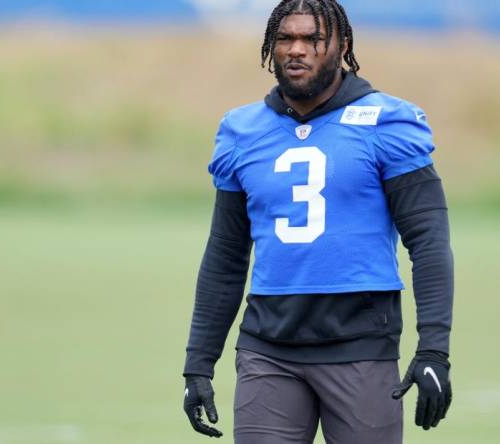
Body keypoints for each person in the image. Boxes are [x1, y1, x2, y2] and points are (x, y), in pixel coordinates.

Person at [182, 1, 454, 443]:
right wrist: (199, 361)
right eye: (286, 38)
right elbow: (226, 254)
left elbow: (429, 241)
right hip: (268, 346)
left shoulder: (388, 122)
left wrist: (434, 350)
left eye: (313, 39)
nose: (297, 50)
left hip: (360, 343)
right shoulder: (242, 130)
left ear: (341, 46)